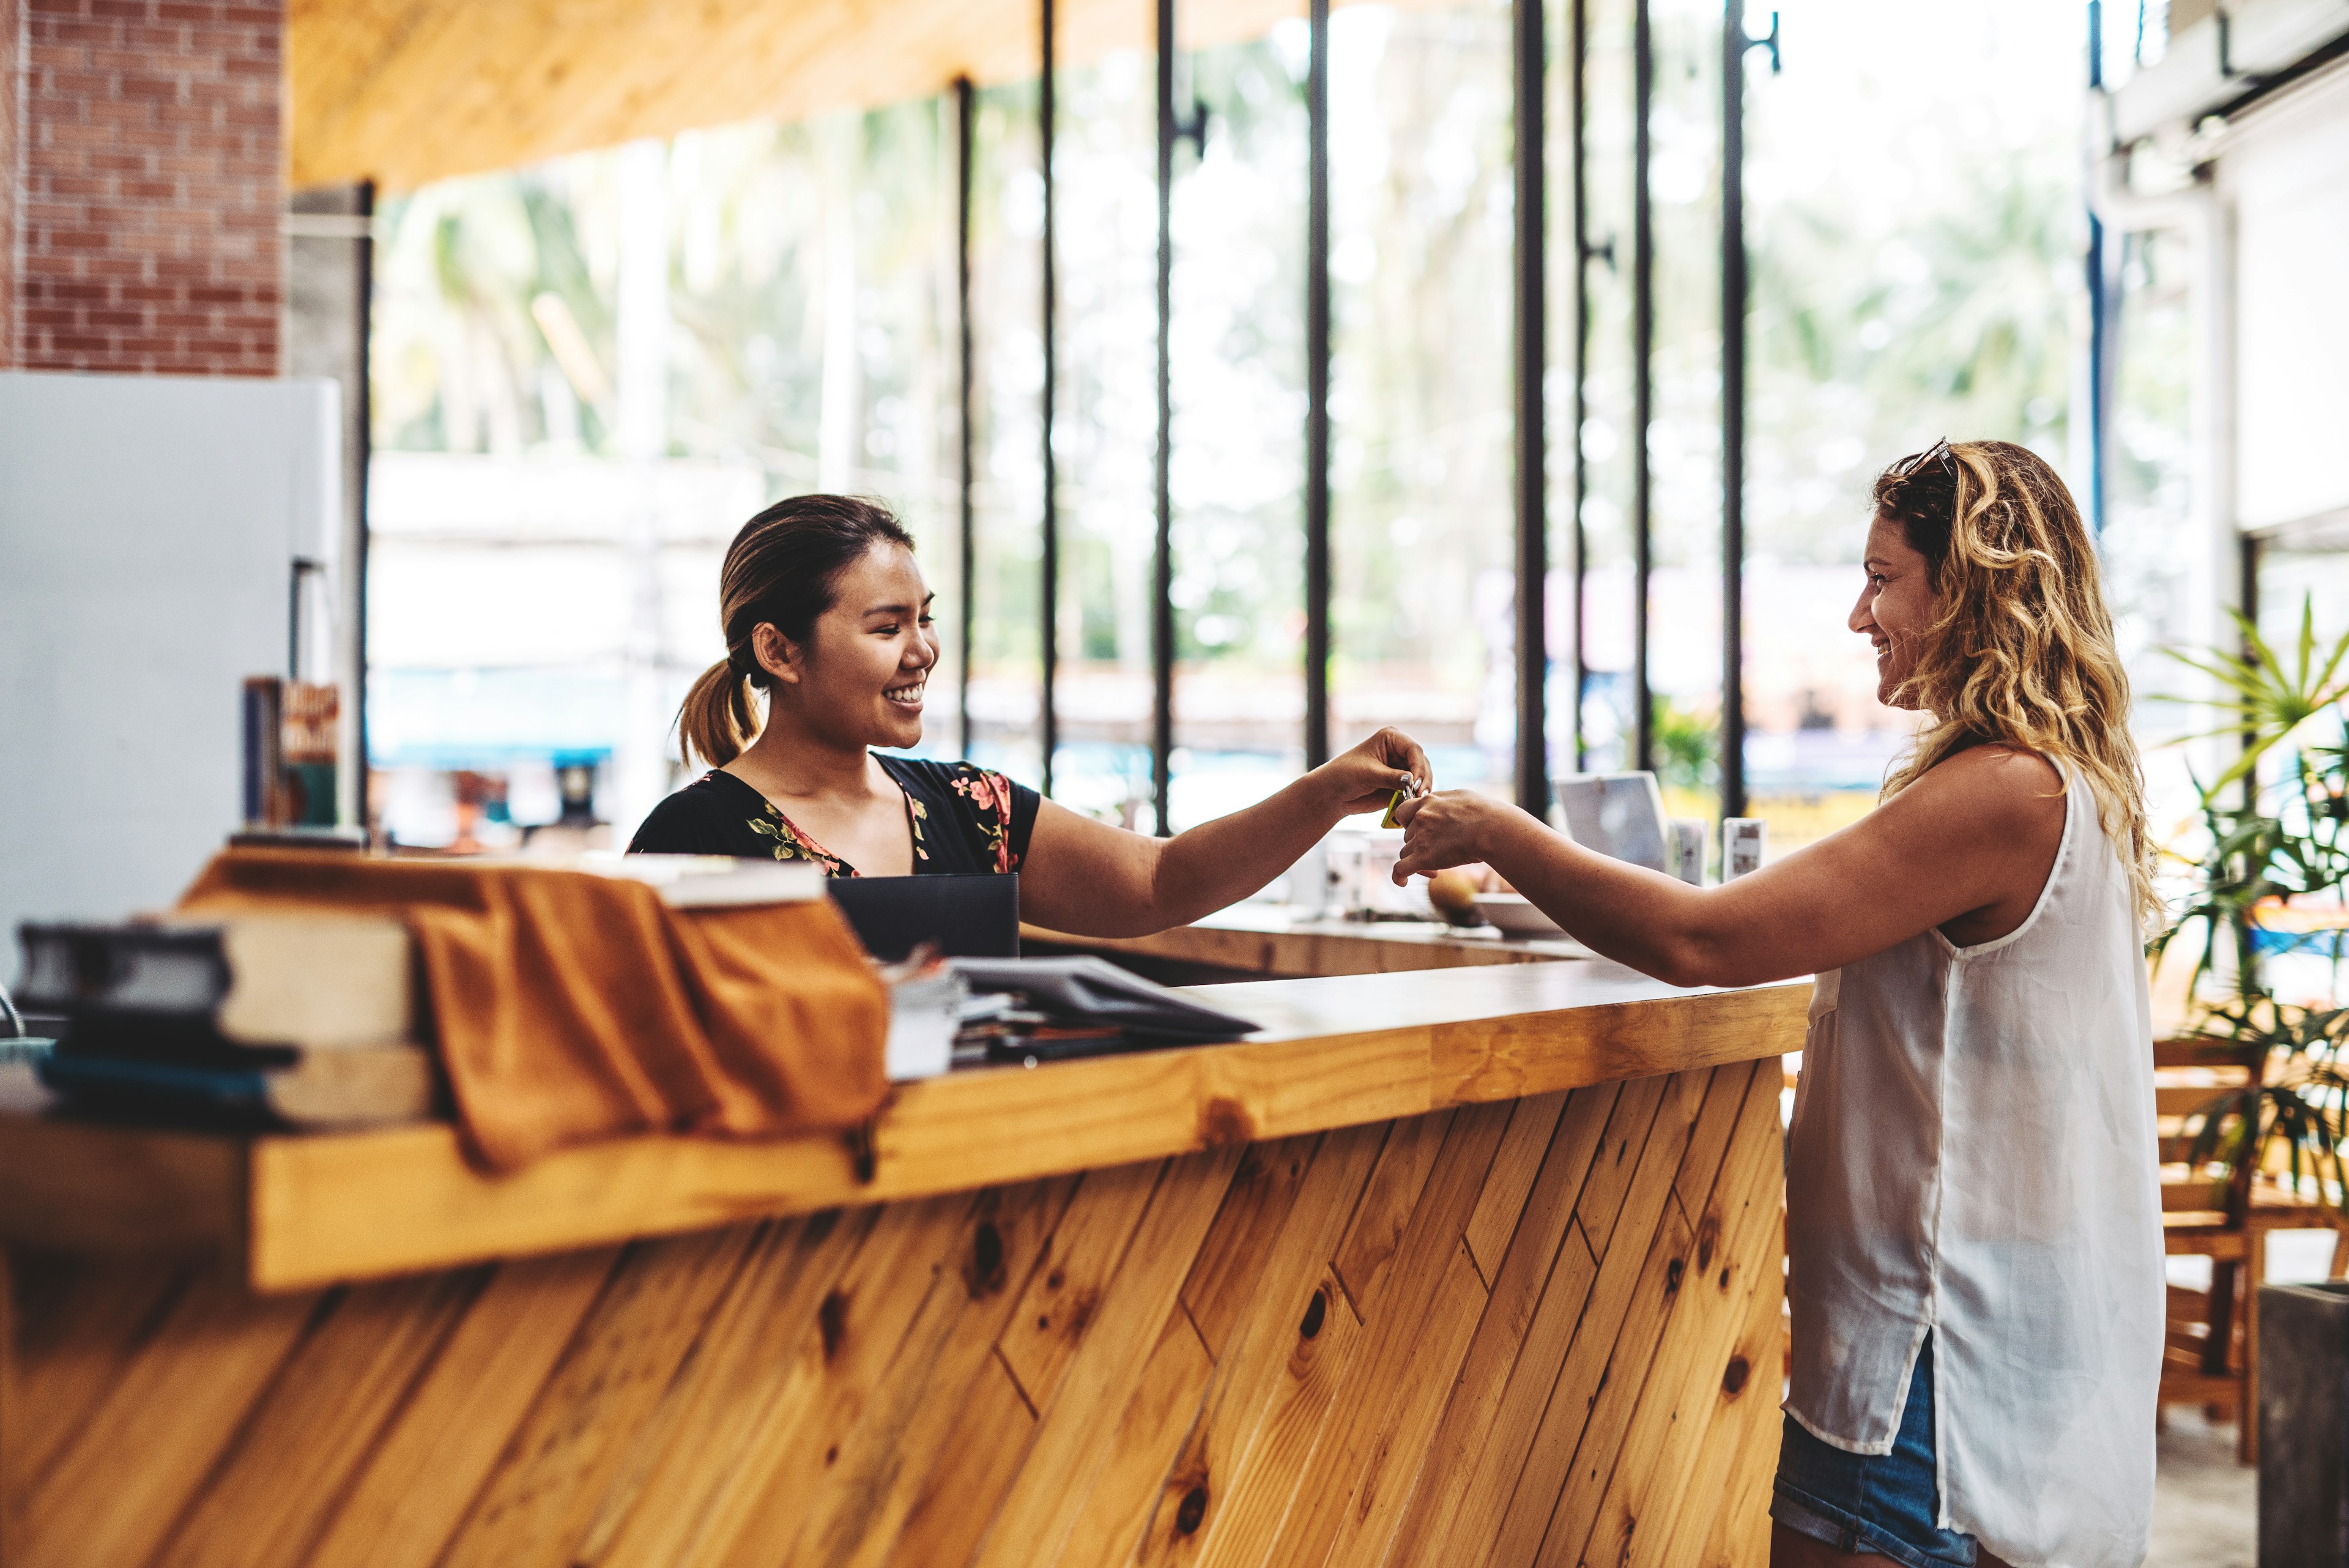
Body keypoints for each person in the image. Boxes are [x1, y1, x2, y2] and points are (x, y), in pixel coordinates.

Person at [1392, 440, 2161, 1568]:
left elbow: (1707, 938)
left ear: (1974, 585)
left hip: (1927, 1359)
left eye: (1884, 577)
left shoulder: (2002, 792)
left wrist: (1501, 832)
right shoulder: (2060, 782)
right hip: (1988, 1345)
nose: (1861, 615)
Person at [629, 493, 1430, 938]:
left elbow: (1159, 881)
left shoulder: (973, 809)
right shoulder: (687, 842)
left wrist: (1324, 794)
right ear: (780, 651)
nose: (923, 652)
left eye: (925, 619)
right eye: (886, 628)